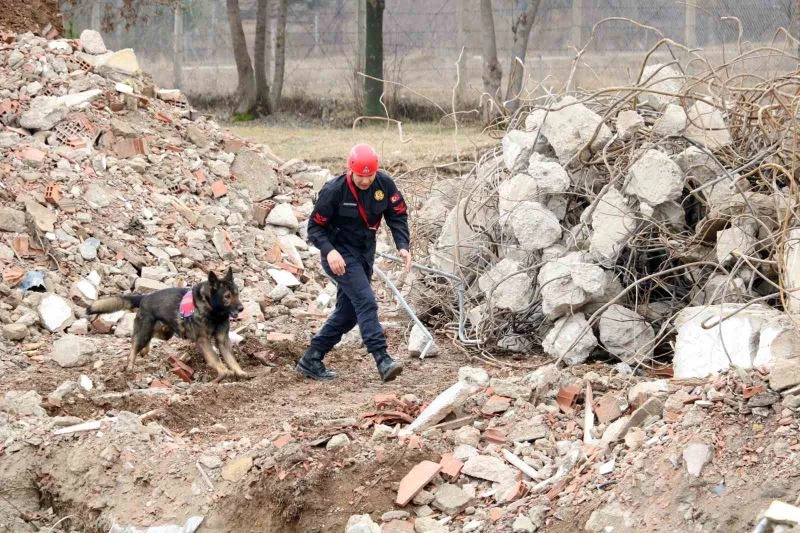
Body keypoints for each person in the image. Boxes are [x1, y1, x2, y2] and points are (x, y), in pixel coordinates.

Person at [296, 143, 412, 382]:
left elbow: (397, 214)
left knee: (349, 313)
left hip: (364, 253)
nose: (365, 181)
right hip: (339, 255)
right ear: (351, 170)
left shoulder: (384, 184)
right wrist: (329, 251)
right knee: (366, 300)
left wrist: (403, 245)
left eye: (369, 176)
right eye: (361, 176)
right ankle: (382, 358)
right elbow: (314, 228)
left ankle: (311, 358)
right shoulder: (334, 191)